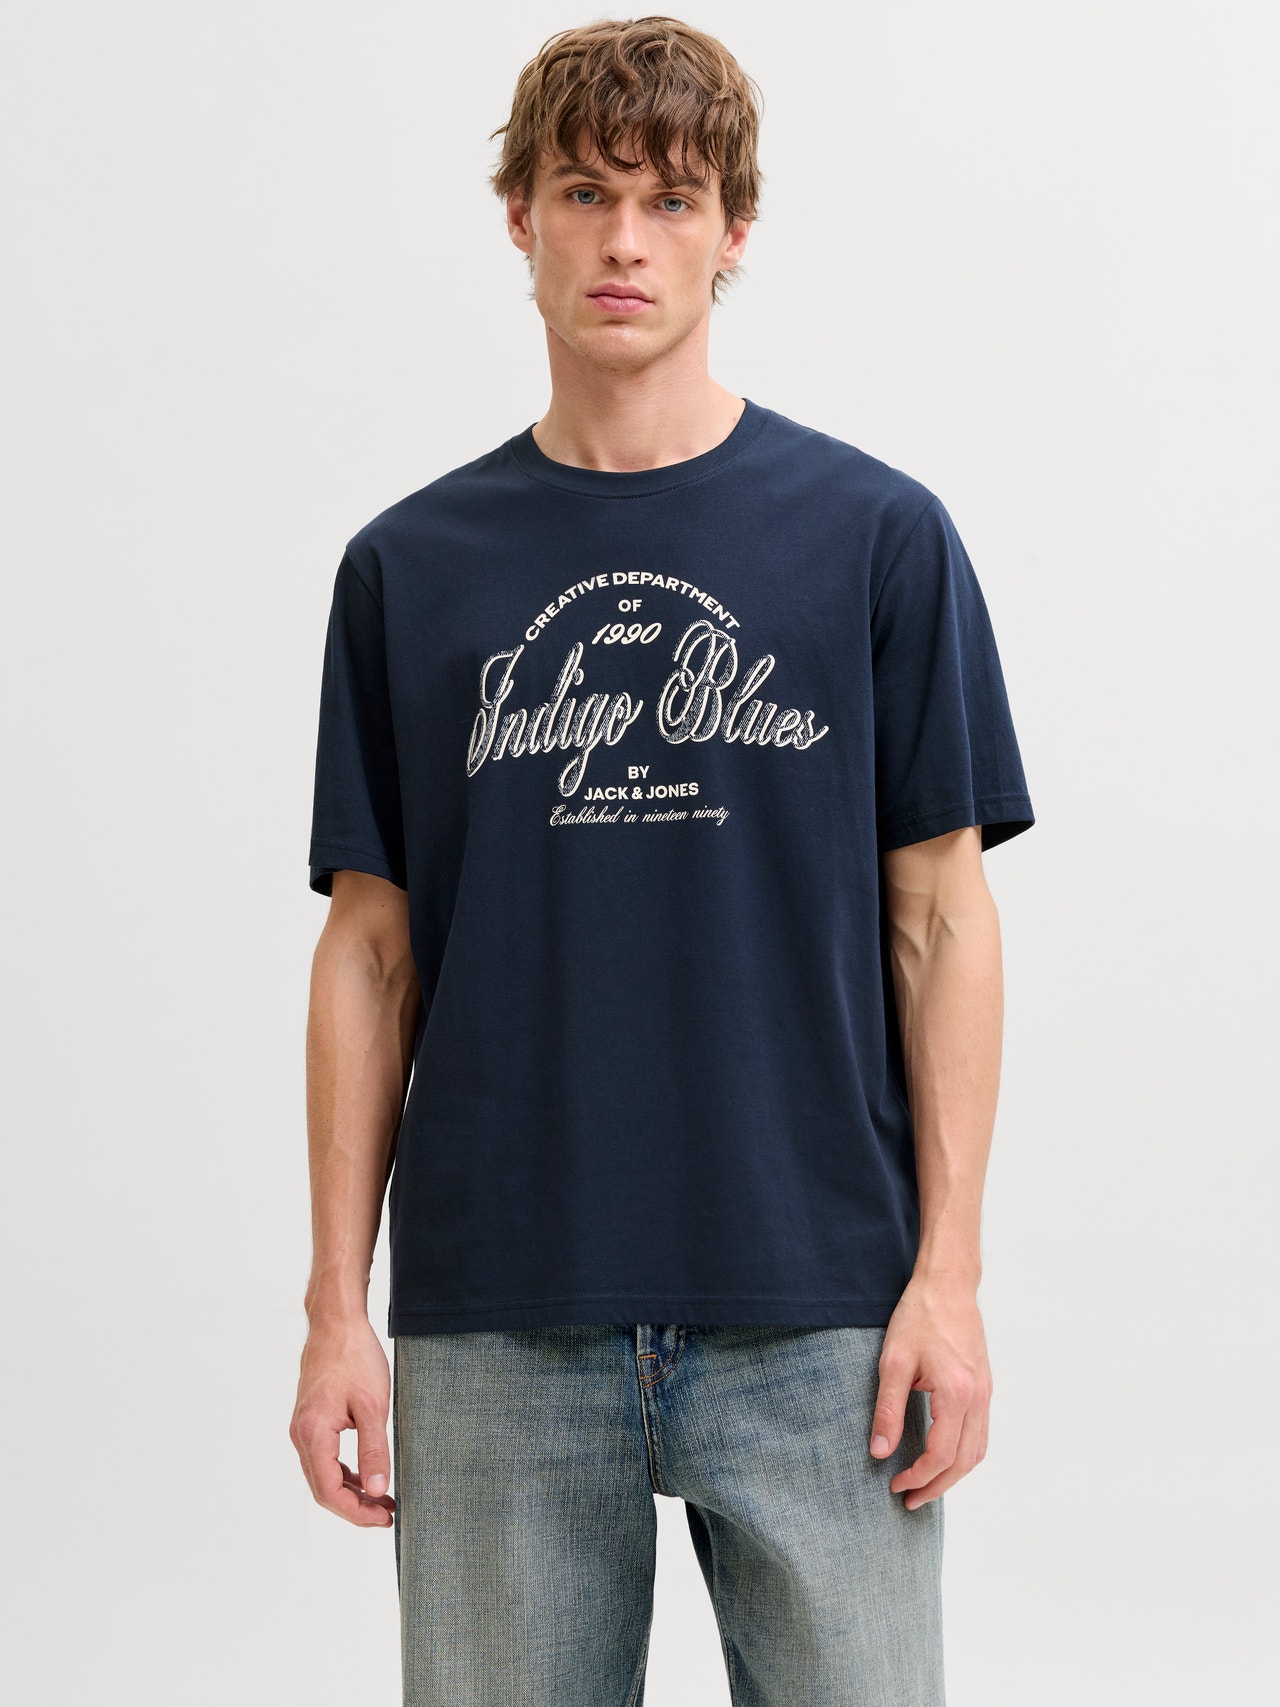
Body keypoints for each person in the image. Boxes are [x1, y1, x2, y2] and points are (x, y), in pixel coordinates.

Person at [289, 15, 1035, 1705]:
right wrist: (338, 1307)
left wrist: (950, 1277)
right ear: (521, 218)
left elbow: (941, 920)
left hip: (823, 1307)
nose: (624, 240)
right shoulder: (409, 568)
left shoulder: (876, 540)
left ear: (732, 230)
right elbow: (369, 953)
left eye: (671, 200)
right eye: (584, 193)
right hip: (498, 1311)